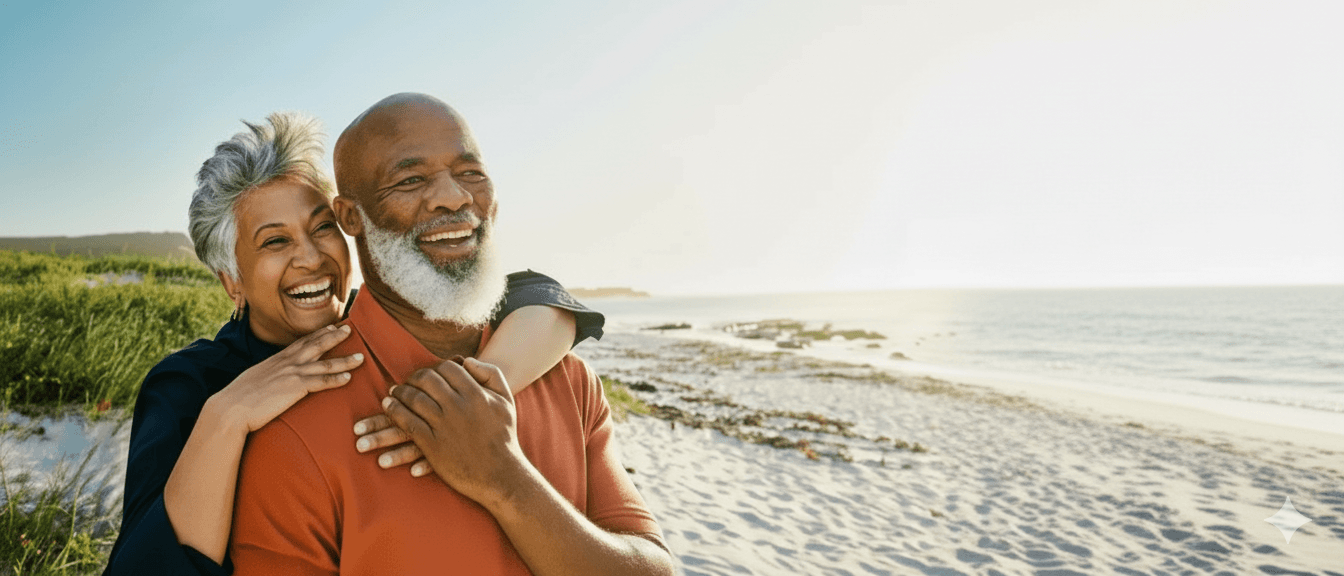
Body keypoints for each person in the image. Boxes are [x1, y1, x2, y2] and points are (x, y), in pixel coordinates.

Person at [103, 112, 604, 575]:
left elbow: (540, 296)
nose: (310, 258)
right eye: (275, 241)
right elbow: (142, 565)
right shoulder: (189, 385)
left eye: (322, 228)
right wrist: (227, 416)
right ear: (232, 281)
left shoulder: (383, 322)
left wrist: (476, 393)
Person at [228, 93, 673, 575]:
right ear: (351, 216)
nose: (455, 197)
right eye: (411, 180)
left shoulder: (569, 379)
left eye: (471, 173)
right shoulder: (292, 433)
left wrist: (505, 479)